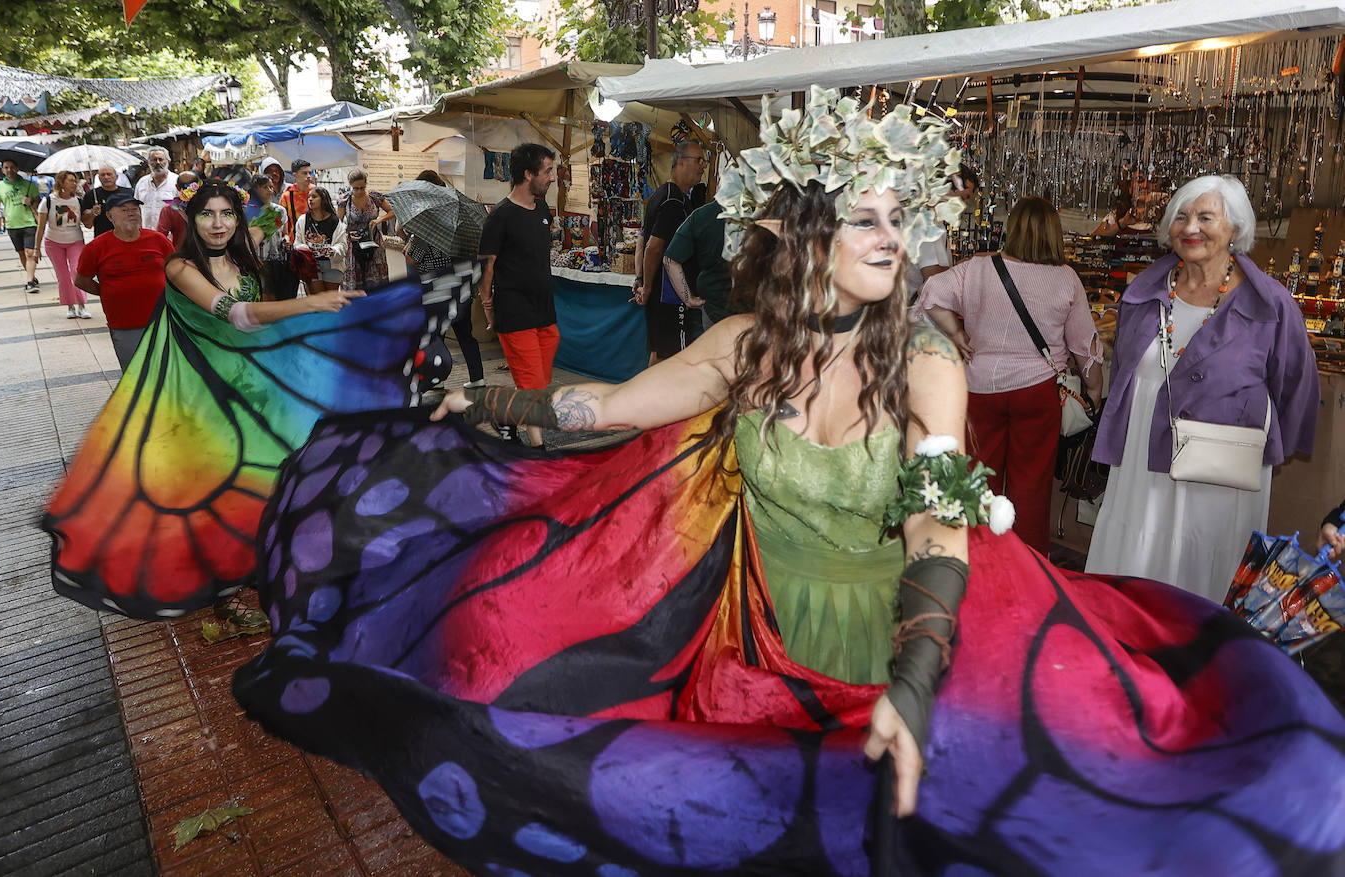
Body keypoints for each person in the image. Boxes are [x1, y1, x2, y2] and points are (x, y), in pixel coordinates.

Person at [231, 88, 1345, 877]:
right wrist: (479, 403)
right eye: (862, 214)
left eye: (898, 216)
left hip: (911, 641)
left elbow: (936, 525)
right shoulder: (738, 344)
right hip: (751, 639)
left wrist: (911, 686)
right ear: (792, 230)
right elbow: (601, 409)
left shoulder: (927, 362)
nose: (889, 235)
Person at [45, 179, 482, 620]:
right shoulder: (180, 268)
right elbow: (238, 316)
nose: (218, 224)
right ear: (191, 220)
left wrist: (283, 205)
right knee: (215, 483)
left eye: (227, 214)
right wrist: (310, 305)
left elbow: (266, 223)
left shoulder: (240, 249)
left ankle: (266, 562)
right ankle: (223, 591)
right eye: (207, 214)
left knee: (278, 466)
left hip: (253, 381)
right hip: (204, 390)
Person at [1086, 174, 1319, 602]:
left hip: (1221, 467)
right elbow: (1124, 374)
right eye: (1182, 216)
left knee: (1203, 562)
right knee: (1140, 557)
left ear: (1236, 229)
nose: (1190, 227)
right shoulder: (1143, 293)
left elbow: (1296, 385)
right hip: (1144, 459)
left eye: (1206, 217)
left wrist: (1260, 438)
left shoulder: (1269, 305)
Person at [921, 197, 1102, 554]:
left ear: (1011, 229)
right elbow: (1085, 344)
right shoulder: (1066, 279)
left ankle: (972, 560)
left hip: (978, 390)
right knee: (1031, 489)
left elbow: (931, 294)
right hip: (1037, 393)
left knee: (977, 479)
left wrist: (956, 335)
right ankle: (1026, 568)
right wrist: (1093, 390)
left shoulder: (977, 268)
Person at [477, 142, 558, 447]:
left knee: (540, 383)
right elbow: (487, 265)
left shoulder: (542, 210)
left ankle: (505, 414)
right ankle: (539, 449)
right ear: (528, 174)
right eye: (547, 171)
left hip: (545, 311)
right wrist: (488, 306)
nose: (552, 177)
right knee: (534, 385)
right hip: (514, 312)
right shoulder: (500, 216)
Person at [403, 169, 486, 389]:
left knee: (435, 336)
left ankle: (436, 379)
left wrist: (410, 244)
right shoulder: (458, 219)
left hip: (437, 288)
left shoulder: (429, 223)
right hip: (460, 285)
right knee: (465, 333)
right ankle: (477, 377)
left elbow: (413, 260)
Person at [74, 192, 174, 367]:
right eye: (124, 209)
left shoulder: (158, 240)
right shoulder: (96, 248)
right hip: (124, 324)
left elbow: (176, 272)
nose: (131, 213)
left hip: (163, 321)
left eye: (135, 209)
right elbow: (81, 280)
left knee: (166, 372)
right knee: (134, 374)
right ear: (109, 216)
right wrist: (107, 291)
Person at [635, 140, 704, 362]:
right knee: (675, 359)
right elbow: (652, 247)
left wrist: (641, 279)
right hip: (671, 296)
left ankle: (648, 397)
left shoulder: (662, 195)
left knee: (659, 353)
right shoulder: (673, 201)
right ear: (681, 162)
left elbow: (641, 240)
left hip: (662, 294)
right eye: (699, 160)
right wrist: (646, 287)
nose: (703, 165)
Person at [661, 198, 742, 330]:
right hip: (756, 311)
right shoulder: (767, 215)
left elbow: (670, 260)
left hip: (715, 310)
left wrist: (688, 299)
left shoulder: (702, 215)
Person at [906, 165, 977, 304]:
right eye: (963, 197)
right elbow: (935, 280)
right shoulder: (928, 223)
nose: (964, 205)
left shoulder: (924, 217)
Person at [32, 171, 90, 319]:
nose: (74, 183)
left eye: (75, 180)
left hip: (75, 241)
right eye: (70, 180)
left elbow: (87, 223)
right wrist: (36, 249)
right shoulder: (49, 201)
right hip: (53, 242)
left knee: (76, 271)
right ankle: (70, 305)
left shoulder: (78, 201)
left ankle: (82, 304)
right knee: (63, 276)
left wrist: (92, 213)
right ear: (61, 182)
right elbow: (41, 226)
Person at [0, 158, 41, 291]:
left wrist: (31, 202)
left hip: (29, 222)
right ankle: (31, 276)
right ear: (2, 170)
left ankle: (29, 282)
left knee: (29, 252)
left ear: (17, 169)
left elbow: (38, 203)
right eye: (6, 167)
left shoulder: (29, 185)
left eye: (12, 167)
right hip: (12, 224)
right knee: (22, 253)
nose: (9, 170)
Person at [338, 168, 391, 291]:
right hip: (353, 243)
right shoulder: (345, 200)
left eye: (362, 187)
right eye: (356, 188)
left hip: (374, 241)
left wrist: (379, 220)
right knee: (355, 278)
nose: (359, 191)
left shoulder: (374, 197)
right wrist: (347, 236)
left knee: (376, 278)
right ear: (350, 185)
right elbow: (338, 223)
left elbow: (392, 211)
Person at [248, 175, 295, 300]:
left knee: (277, 295)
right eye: (265, 187)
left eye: (271, 187)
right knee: (263, 296)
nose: (270, 190)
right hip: (257, 260)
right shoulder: (248, 212)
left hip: (277, 261)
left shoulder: (280, 211)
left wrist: (286, 240)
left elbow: (285, 233)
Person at [293, 186, 345, 293]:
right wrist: (305, 249)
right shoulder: (303, 220)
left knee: (331, 301)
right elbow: (297, 243)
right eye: (309, 197)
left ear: (323, 199)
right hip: (311, 265)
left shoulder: (335, 221)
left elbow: (342, 245)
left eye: (314, 197)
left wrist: (333, 250)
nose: (310, 199)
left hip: (332, 264)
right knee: (318, 299)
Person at [134, 146, 179, 231]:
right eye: (154, 160)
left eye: (161, 159)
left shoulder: (177, 181)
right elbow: (136, 208)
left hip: (169, 235)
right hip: (146, 233)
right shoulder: (142, 182)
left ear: (168, 161)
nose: (158, 163)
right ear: (148, 162)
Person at [80, 164, 132, 236]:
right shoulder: (91, 195)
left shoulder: (129, 193)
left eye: (109, 174)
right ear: (99, 178)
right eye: (103, 175)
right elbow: (87, 224)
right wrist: (93, 213)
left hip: (126, 235)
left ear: (116, 177)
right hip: (102, 236)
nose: (106, 177)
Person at [156, 171, 198, 246]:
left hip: (179, 254)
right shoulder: (208, 206)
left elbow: (160, 237)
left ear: (177, 187)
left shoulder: (169, 209)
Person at [281, 158, 313, 244]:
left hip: (316, 241)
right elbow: (282, 222)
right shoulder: (287, 195)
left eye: (310, 172)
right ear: (295, 175)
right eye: (304, 173)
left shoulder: (317, 192)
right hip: (294, 243)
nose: (309, 176)